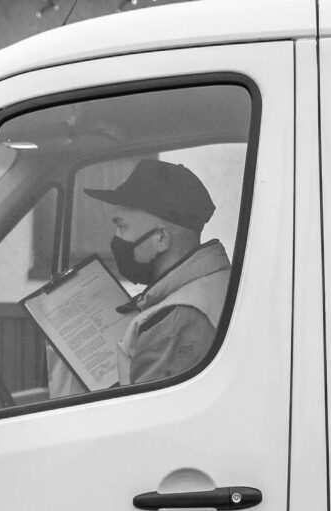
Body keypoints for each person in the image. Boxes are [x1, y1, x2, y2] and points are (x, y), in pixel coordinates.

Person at [83, 158, 231, 386]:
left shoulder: (174, 322)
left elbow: (145, 417)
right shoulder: (214, 282)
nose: (116, 238)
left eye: (122, 226)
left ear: (161, 238)